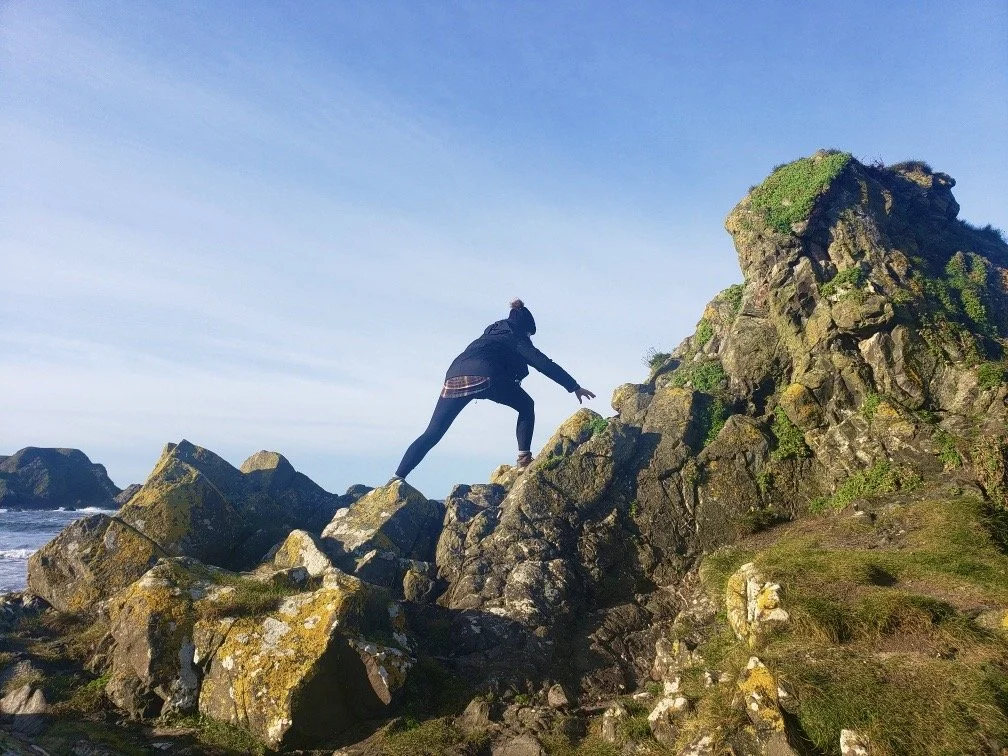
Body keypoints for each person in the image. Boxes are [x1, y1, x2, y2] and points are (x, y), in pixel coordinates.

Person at [394, 299, 595, 479]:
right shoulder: (516, 338)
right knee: (526, 405)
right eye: (529, 334)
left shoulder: (486, 337)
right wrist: (574, 386)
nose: (530, 338)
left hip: (454, 375)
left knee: (433, 432)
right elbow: (544, 364)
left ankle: (397, 478)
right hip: (486, 375)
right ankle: (524, 460)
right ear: (525, 328)